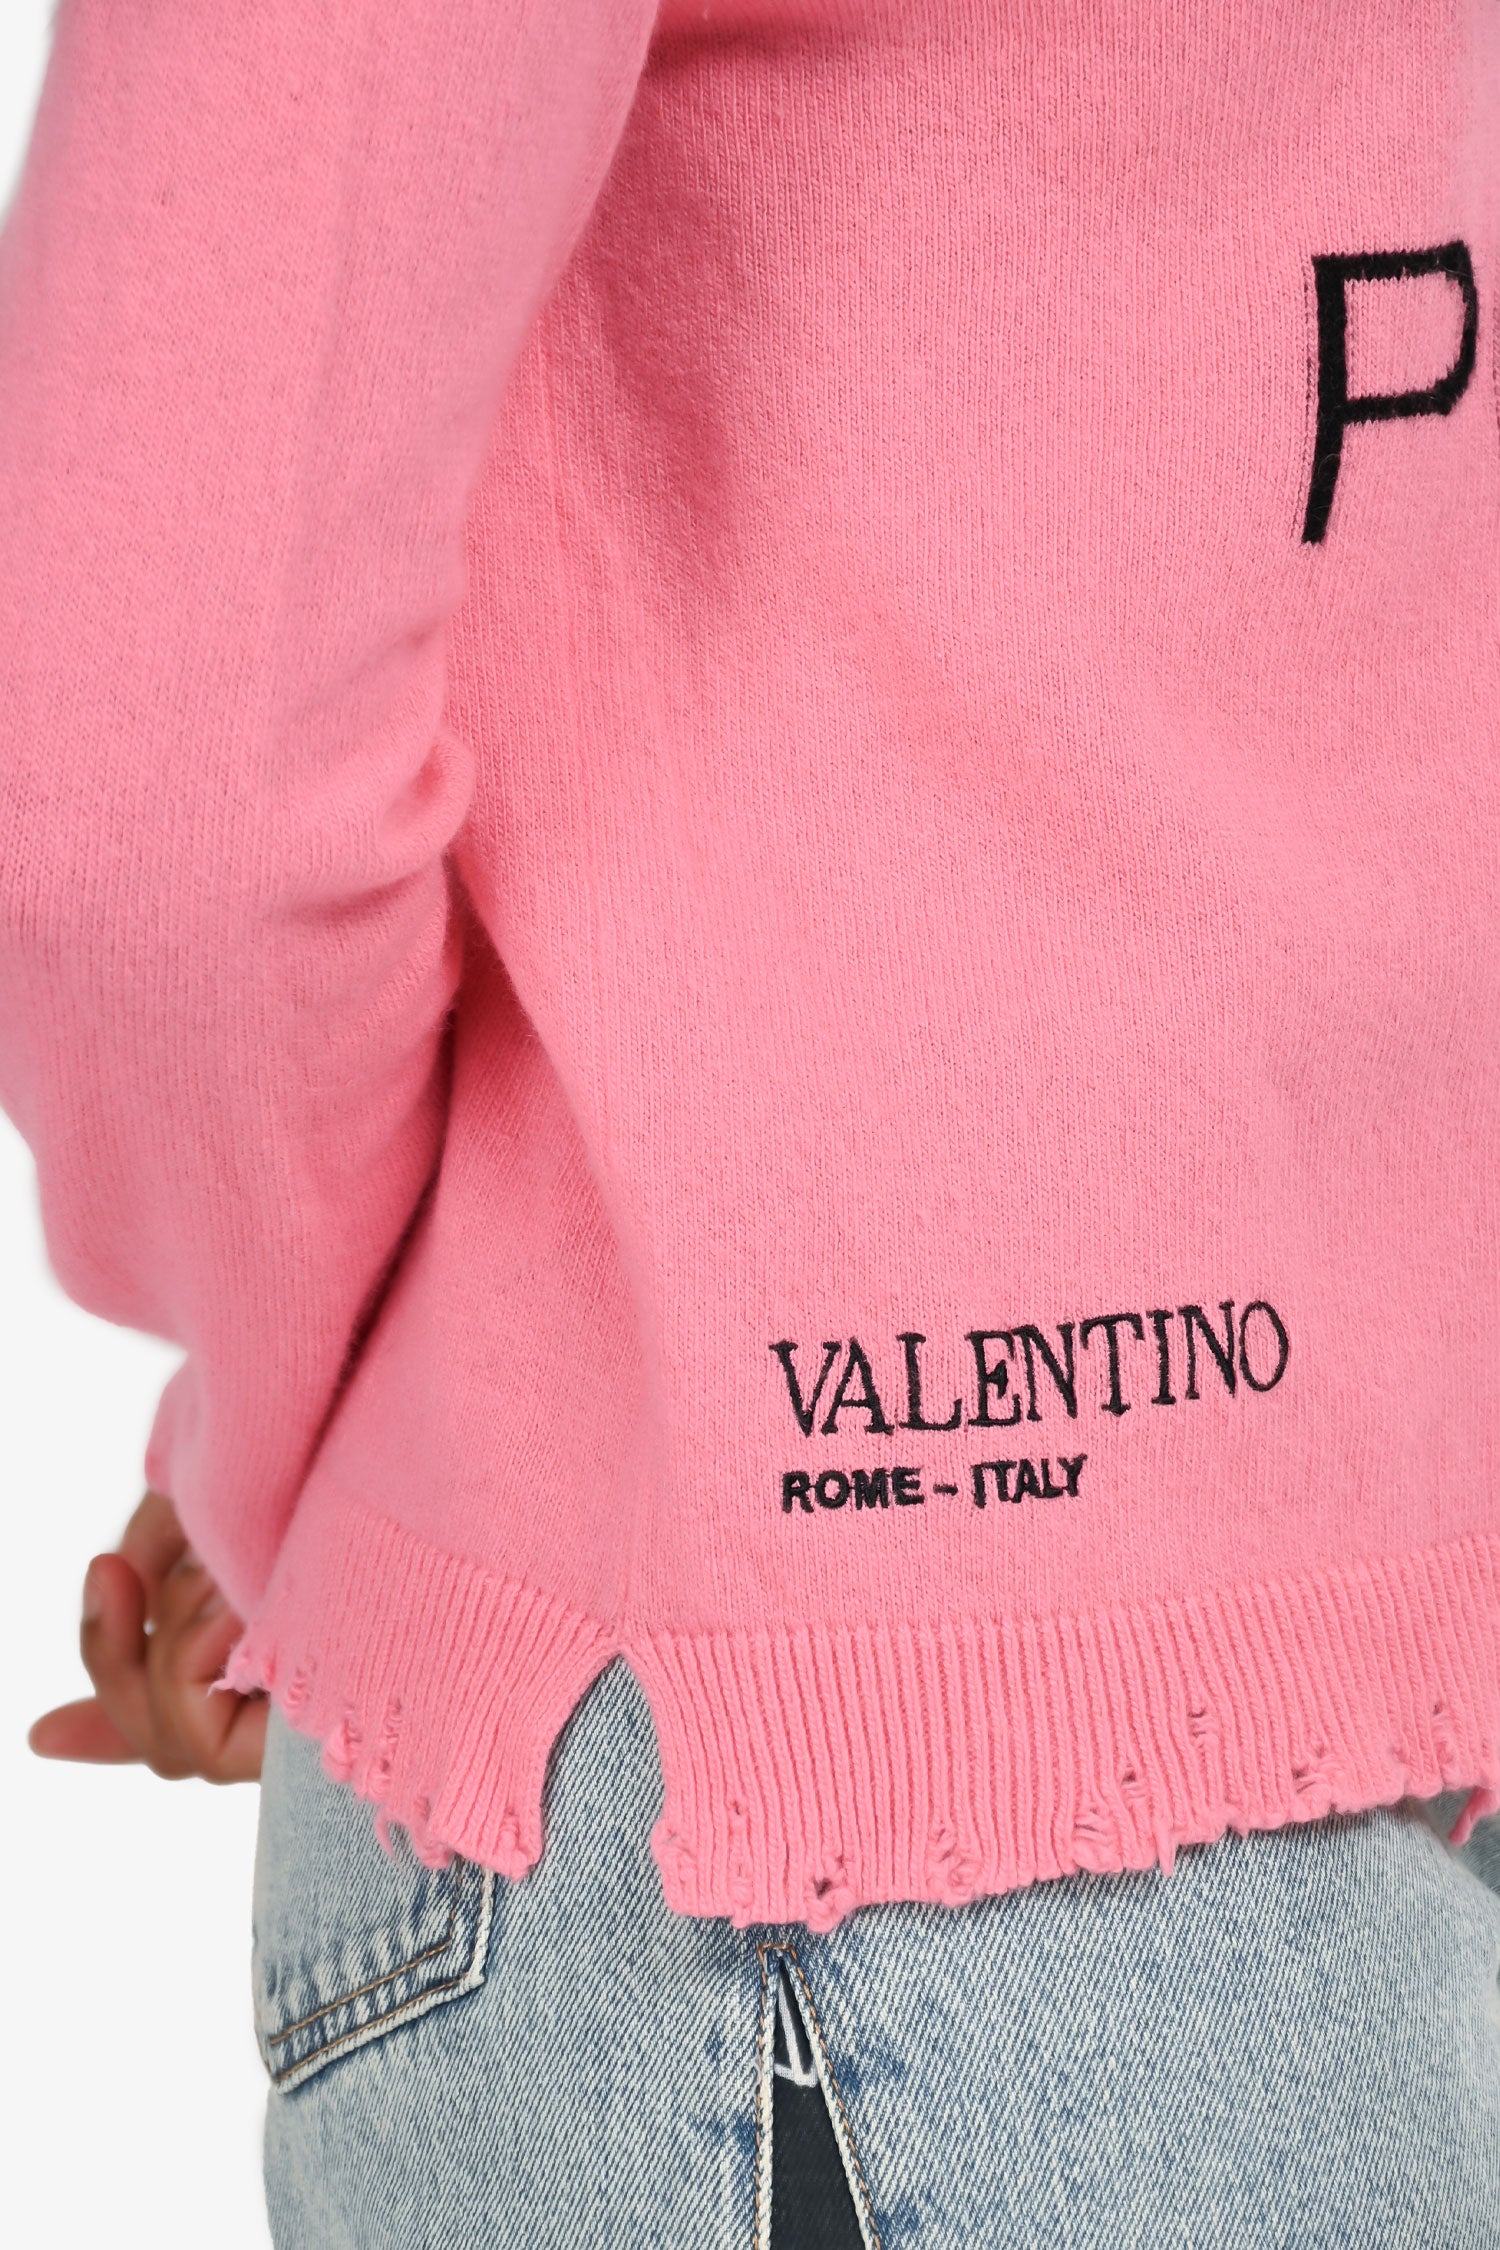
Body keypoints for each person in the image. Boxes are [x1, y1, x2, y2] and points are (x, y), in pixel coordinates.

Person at [6, 1, 1500, 2242]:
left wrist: (319, 1409)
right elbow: (139, 795)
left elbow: (158, 776)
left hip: (1247, 1746)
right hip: (842, 1853)